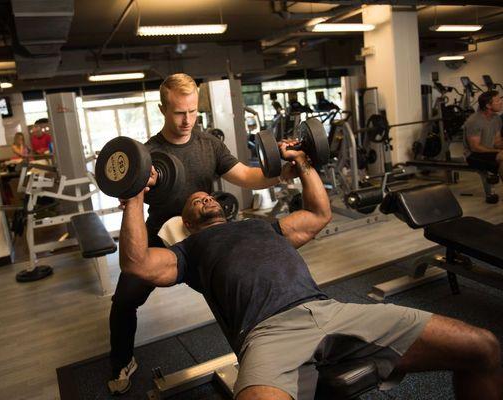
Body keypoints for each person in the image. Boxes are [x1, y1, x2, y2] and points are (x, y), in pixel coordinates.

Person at [118, 142, 503, 400]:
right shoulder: (188, 250)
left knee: (483, 347)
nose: (203, 197)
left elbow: (319, 213)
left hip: (330, 309)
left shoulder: (260, 225)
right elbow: (136, 262)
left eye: (207, 195)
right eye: (194, 201)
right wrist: (135, 194)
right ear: (186, 222)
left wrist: (301, 162)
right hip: (267, 334)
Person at [107, 73, 296, 394]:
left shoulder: (209, 143)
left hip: (204, 239)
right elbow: (128, 196)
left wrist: (284, 172)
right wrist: (135, 189)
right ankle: (122, 361)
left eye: (193, 111)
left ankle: (262, 359)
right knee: (124, 299)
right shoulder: (149, 153)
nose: (187, 120)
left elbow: (248, 176)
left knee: (235, 290)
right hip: (161, 238)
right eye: (180, 112)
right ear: (163, 109)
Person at [463, 90, 503, 178]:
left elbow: (497, 142)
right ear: (488, 105)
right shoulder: (474, 121)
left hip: (490, 152)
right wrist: (498, 151)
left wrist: (500, 147)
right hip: (473, 155)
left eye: (500, 99)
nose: (501, 102)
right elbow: (475, 148)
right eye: (497, 101)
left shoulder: (496, 118)